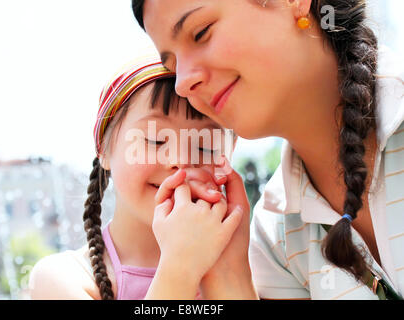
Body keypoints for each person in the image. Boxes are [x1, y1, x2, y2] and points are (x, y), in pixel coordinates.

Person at [131, 0, 404, 299]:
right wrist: (227, 271)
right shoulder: (273, 239)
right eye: (173, 67)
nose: (182, 83)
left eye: (201, 33)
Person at [28, 60, 246, 299]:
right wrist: (180, 266)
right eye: (155, 139)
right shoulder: (63, 278)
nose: (181, 160)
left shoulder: (252, 266)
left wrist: (230, 268)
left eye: (205, 145)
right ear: (104, 150)